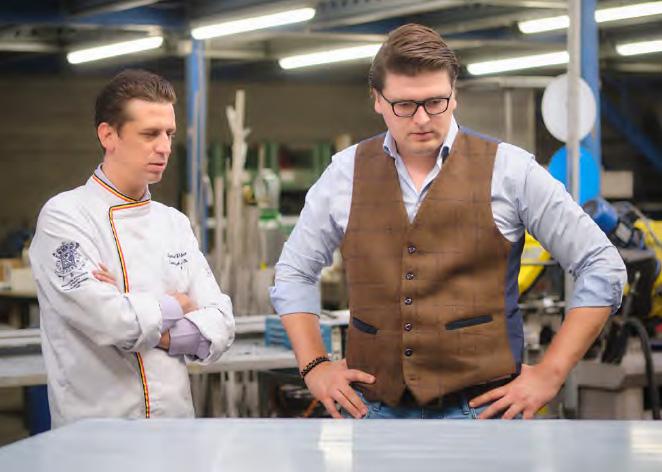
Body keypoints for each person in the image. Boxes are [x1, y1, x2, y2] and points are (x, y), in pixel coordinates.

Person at [270, 24, 626, 420]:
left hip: (484, 412)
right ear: (377, 100)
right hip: (375, 411)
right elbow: (294, 272)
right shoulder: (344, 174)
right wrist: (314, 366)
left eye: (435, 102)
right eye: (405, 105)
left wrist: (550, 374)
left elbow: (602, 265)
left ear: (454, 94)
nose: (422, 118)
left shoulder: (510, 170)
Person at [29, 69, 235, 427]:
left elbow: (221, 321)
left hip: (175, 429)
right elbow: (111, 321)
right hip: (96, 434)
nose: (165, 147)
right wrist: (178, 306)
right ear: (108, 135)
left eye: (169, 134)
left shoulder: (174, 223)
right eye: (150, 134)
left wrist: (149, 324)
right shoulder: (64, 217)